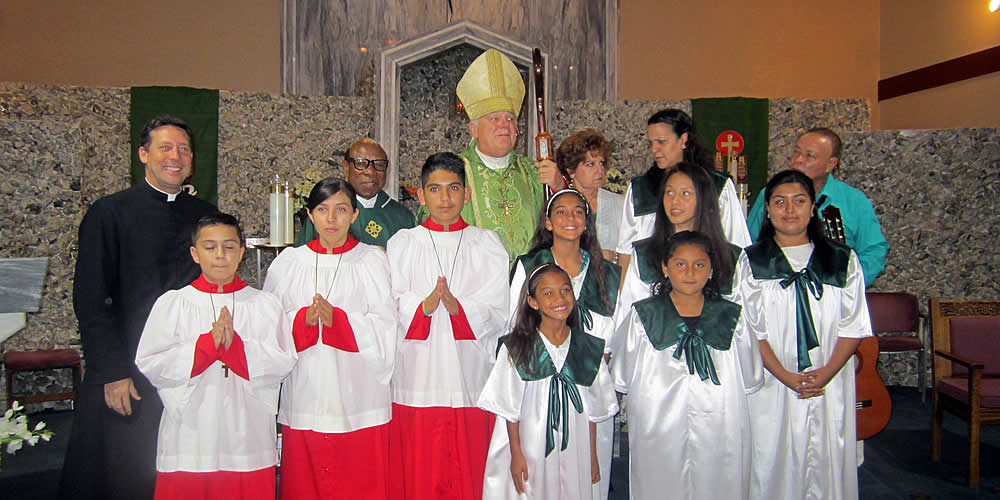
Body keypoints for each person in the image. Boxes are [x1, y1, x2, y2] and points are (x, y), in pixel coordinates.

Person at [61, 116, 218, 500]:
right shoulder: (109, 213)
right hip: (129, 367)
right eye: (165, 148)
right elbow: (92, 299)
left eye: (183, 150)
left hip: (187, 363)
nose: (175, 157)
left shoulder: (204, 216)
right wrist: (111, 371)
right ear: (144, 154)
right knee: (129, 472)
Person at [135, 213, 297, 500]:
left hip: (247, 435)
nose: (220, 256)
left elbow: (283, 361)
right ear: (195, 254)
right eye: (210, 248)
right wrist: (207, 346)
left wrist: (236, 349)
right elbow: (151, 362)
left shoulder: (264, 305)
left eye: (229, 247)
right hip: (191, 435)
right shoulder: (174, 304)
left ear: (242, 252)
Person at [740, 170, 872, 500]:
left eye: (799, 201)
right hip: (772, 380)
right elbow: (750, 330)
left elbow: (852, 325)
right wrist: (783, 374)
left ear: (813, 208)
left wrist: (826, 373)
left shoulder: (842, 260)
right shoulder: (752, 261)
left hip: (829, 378)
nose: (789, 209)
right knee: (770, 454)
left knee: (826, 453)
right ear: (767, 210)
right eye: (779, 202)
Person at [386, 152, 510, 499]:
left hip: (467, 375)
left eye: (453, 188)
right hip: (417, 377)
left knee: (466, 473)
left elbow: (499, 309)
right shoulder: (403, 244)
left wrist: (459, 309)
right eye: (435, 189)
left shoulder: (487, 244)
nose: (445, 198)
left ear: (466, 194)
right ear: (421, 195)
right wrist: (422, 307)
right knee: (419, 475)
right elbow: (392, 302)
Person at [263, 178, 397, 500]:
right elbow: (268, 330)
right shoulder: (288, 265)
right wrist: (302, 321)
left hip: (358, 397)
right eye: (323, 210)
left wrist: (338, 322)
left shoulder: (371, 261)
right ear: (310, 216)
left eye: (341, 210)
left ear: (354, 216)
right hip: (307, 395)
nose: (331, 219)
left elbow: (386, 328)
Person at [613, 231, 762, 500]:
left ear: (712, 270)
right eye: (680, 264)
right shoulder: (643, 316)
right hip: (658, 424)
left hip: (721, 422)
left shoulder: (732, 318)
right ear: (665, 268)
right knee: (658, 483)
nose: (690, 272)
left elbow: (751, 377)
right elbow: (622, 375)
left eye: (699, 265)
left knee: (720, 482)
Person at [507, 189, 621, 499]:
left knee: (588, 475)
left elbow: (615, 331)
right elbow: (514, 324)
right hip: (537, 387)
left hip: (588, 382)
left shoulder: (607, 272)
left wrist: (597, 362)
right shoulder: (530, 265)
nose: (570, 218)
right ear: (547, 222)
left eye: (578, 212)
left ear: (587, 222)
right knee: (537, 476)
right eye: (560, 212)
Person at [479, 263, 618, 499]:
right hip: (531, 441)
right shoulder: (517, 348)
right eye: (548, 293)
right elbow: (509, 410)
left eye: (565, 290)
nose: (559, 299)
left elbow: (593, 412)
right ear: (533, 302)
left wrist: (592, 455)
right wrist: (516, 454)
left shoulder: (587, 348)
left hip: (576, 442)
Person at [437, 48, 564, 260]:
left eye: (510, 119)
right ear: (474, 129)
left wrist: (559, 186)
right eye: (494, 118)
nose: (505, 125)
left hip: (529, 285)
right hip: (473, 285)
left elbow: (565, 225)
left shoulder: (535, 173)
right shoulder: (452, 175)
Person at [613, 163, 743, 348]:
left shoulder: (729, 256)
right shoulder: (645, 254)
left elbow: (738, 317)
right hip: (657, 351)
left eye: (685, 193)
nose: (674, 201)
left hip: (717, 352)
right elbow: (629, 312)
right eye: (669, 193)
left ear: (704, 199)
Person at [745, 128, 888, 287]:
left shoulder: (853, 201)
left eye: (809, 156)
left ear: (830, 164)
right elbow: (749, 241)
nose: (798, 160)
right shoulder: (772, 194)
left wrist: (849, 285)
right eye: (796, 152)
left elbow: (874, 251)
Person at [616, 109, 751, 272]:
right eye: (651, 143)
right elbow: (625, 252)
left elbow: (737, 244)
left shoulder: (717, 186)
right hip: (650, 282)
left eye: (661, 141)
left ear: (683, 139)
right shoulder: (640, 190)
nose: (654, 149)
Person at [296, 139, 414, 248]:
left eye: (379, 165)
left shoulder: (402, 217)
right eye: (361, 164)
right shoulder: (325, 214)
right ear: (346, 168)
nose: (370, 172)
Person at [555, 129, 624, 263]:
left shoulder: (620, 204)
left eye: (602, 163)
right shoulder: (558, 206)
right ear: (571, 171)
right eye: (590, 164)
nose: (600, 171)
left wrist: (614, 257)